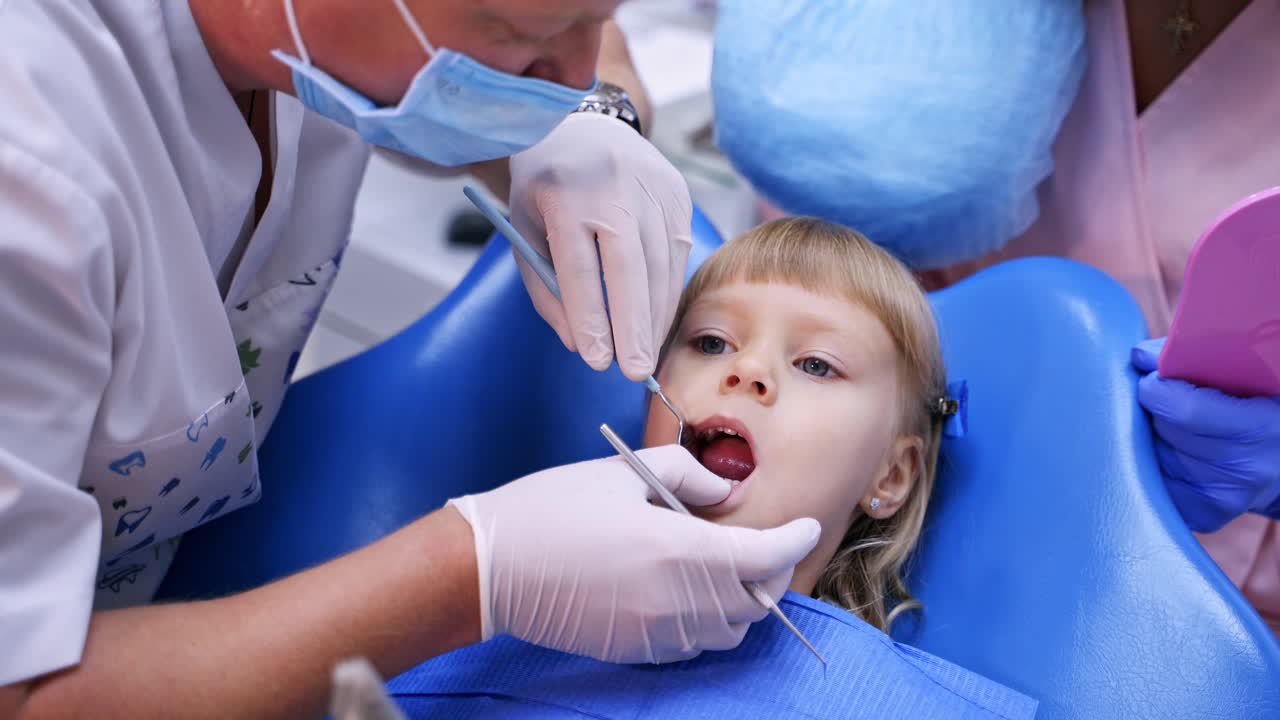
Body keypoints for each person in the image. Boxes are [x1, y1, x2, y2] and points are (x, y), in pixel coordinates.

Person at [0, 0, 821, 715]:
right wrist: (473, 574)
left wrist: (586, 121)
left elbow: (560, 61)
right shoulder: (29, 160)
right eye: (517, 25)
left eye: (597, 17)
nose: (576, 69)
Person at [709, 0, 1280, 630]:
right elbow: (810, 244)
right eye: (707, 344)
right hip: (926, 552)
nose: (746, 372)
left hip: (1227, 615)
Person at [381, 218, 1029, 720]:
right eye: (711, 342)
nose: (744, 371)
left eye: (815, 364)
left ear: (890, 476)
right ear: (651, 402)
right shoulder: (453, 644)